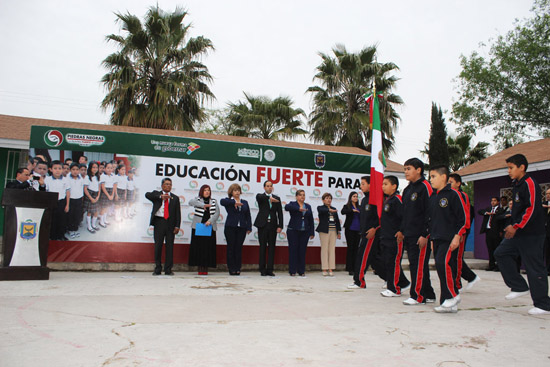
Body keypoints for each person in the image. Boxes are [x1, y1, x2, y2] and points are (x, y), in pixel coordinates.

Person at [494, 154, 550, 315]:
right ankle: (519, 286)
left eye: (511, 168)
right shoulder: (516, 184)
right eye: (508, 168)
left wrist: (516, 226)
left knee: (535, 267)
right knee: (501, 253)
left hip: (532, 234)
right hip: (518, 232)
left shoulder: (529, 183)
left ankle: (543, 304)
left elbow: (531, 208)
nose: (508, 171)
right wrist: (513, 225)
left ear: (522, 167)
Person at [395, 158, 436, 305]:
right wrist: (401, 231)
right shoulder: (407, 190)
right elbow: (405, 213)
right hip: (409, 234)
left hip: (421, 235)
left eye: (408, 169)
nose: (405, 172)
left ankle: (417, 296)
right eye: (404, 169)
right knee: (418, 265)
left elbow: (430, 213)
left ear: (418, 170)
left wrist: (425, 234)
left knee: (417, 265)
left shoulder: (425, 187)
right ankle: (429, 293)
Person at [428, 165, 467, 313]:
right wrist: (432, 239)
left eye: (433, 176)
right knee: (440, 267)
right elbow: (432, 220)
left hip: (449, 238)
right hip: (436, 238)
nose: (431, 180)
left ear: (443, 177)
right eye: (430, 177)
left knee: (442, 264)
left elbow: (462, 219)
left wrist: (457, 236)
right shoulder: (433, 197)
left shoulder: (453, 195)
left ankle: (453, 295)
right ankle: (447, 303)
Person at [348, 176, 385, 289]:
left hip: (372, 235)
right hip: (364, 233)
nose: (361, 186)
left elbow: (381, 217)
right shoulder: (364, 200)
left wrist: (375, 228)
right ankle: (394, 280)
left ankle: (359, 282)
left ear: (370, 185)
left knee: (361, 257)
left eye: (363, 184)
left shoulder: (377, 199)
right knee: (375, 260)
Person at [448, 173, 480, 292]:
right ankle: (470, 277)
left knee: (457, 258)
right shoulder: (450, 195)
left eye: (451, 182)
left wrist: (461, 232)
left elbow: (465, 215)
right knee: (452, 258)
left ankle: (457, 284)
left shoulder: (462, 195)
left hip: (460, 232)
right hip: (451, 231)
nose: (449, 184)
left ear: (458, 183)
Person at [379, 176, 410, 297]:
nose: (383, 186)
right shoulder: (388, 200)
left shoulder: (398, 200)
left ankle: (394, 289)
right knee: (388, 262)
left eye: (386, 184)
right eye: (382, 184)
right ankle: (403, 284)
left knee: (394, 262)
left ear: (394, 186)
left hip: (395, 238)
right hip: (386, 236)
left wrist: (401, 231)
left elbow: (404, 217)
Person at [145, 178, 181, 276]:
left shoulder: (175, 198)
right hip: (159, 222)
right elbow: (147, 194)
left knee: (169, 247)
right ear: (162, 186)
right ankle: (157, 268)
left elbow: (178, 213)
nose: (168, 186)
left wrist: (177, 225)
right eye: (166, 184)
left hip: (170, 224)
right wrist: (160, 196)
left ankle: (168, 269)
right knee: (158, 246)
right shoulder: (156, 195)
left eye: (170, 184)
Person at [220, 183, 252, 275]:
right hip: (230, 227)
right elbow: (222, 202)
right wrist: (234, 202)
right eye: (235, 190)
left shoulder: (245, 202)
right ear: (231, 192)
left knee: (238, 248)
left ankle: (238, 268)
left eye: (238, 190)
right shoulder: (228, 201)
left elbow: (248, 215)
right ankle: (231, 268)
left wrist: (248, 226)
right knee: (231, 248)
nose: (237, 192)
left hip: (241, 228)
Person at [254, 180, 284, 276]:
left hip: (272, 225)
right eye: (267, 186)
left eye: (271, 186)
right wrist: (268, 199)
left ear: (273, 187)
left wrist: (280, 226)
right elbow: (260, 197)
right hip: (262, 225)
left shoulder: (277, 198)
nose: (269, 187)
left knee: (272, 248)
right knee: (262, 247)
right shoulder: (260, 196)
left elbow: (280, 213)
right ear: (264, 187)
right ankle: (262, 269)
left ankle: (270, 269)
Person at [188, 184, 220, 275]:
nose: (207, 192)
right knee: (199, 248)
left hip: (209, 227)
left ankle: (205, 268)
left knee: (208, 248)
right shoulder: (197, 199)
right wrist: (203, 205)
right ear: (202, 191)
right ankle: (199, 267)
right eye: (205, 190)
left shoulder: (214, 201)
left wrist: (210, 221)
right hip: (198, 227)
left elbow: (217, 213)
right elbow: (190, 202)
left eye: (208, 190)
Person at [285, 189, 314, 277]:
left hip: (304, 232)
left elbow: (311, 220)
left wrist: (312, 232)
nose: (302, 197)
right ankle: (292, 270)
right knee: (293, 251)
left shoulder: (308, 206)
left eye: (303, 195)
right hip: (293, 231)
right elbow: (286, 207)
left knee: (302, 251)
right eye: (300, 195)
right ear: (297, 196)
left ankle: (301, 271)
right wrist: (298, 208)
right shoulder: (292, 204)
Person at [316, 193, 341, 276]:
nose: (329, 199)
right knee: (324, 249)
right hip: (324, 231)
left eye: (330, 198)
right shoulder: (320, 208)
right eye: (326, 198)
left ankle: (331, 268)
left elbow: (337, 221)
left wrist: (339, 232)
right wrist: (329, 210)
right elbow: (322, 211)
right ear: (323, 200)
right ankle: (324, 268)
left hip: (333, 231)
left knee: (332, 249)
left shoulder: (334, 209)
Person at [45, 160, 70, 241]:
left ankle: (61, 235)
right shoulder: (47, 179)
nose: (57, 170)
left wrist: (67, 205)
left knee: (62, 219)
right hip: (51, 202)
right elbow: (46, 192)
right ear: (50, 169)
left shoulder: (65, 180)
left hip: (61, 202)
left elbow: (68, 192)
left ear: (62, 170)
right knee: (52, 220)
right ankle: (53, 236)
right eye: (55, 168)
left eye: (59, 168)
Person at [478, 197, 504, 271]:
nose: (492, 202)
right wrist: (487, 213)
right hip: (488, 231)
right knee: (490, 248)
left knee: (497, 249)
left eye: (494, 201)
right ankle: (491, 265)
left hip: (496, 232)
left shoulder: (500, 210)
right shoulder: (488, 209)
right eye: (492, 200)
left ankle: (498, 266)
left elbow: (501, 221)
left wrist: (501, 231)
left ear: (498, 202)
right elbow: (480, 211)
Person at [341, 191, 361, 275]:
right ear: (350, 198)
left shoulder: (360, 207)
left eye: (356, 196)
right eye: (354, 196)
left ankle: (355, 267)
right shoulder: (347, 206)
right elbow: (343, 212)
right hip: (350, 229)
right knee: (351, 248)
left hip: (358, 229)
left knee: (356, 248)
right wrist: (352, 211)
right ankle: (349, 268)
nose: (355, 198)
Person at [66, 163, 84, 239]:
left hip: (79, 199)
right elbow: (68, 190)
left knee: (77, 215)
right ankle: (70, 230)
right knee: (71, 215)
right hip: (71, 199)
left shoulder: (80, 178)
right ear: (70, 170)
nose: (75, 171)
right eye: (73, 169)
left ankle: (75, 229)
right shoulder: (68, 178)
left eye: (77, 169)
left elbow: (81, 188)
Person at [83, 161, 101, 233]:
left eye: (96, 167)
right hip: (90, 194)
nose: (95, 169)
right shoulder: (87, 177)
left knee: (96, 211)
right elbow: (85, 189)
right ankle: (89, 226)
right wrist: (91, 198)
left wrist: (97, 197)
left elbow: (99, 187)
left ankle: (93, 224)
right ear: (90, 168)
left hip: (96, 194)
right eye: (93, 167)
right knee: (89, 212)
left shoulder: (98, 177)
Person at [99, 162, 117, 227]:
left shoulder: (113, 175)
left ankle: (105, 220)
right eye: (108, 168)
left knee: (107, 207)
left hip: (111, 191)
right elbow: (103, 187)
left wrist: (112, 195)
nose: (109, 169)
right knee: (103, 208)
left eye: (111, 168)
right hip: (105, 193)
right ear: (105, 169)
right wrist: (108, 195)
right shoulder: (102, 176)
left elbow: (114, 185)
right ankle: (101, 221)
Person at [543, 189, 550, 275]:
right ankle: (547, 269)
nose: (547, 195)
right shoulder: (544, 204)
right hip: (545, 231)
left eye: (549, 194)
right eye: (547, 194)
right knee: (547, 251)